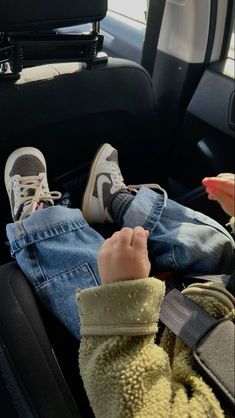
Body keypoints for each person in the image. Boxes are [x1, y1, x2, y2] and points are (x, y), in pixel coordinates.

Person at [4, 144, 234, 341]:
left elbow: (131, 390)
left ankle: (37, 221)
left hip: (172, 351)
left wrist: (124, 290)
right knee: (217, 245)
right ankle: (115, 202)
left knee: (101, 294)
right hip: (221, 295)